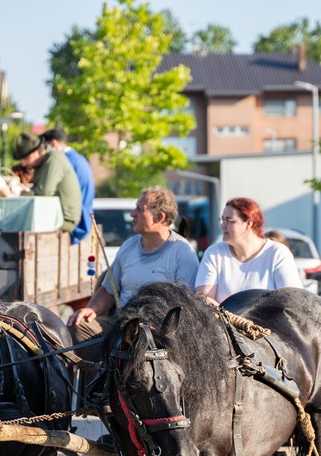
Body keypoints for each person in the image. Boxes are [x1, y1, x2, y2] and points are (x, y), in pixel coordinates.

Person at [67, 187, 198, 353]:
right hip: (121, 326)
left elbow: (184, 306)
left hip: (158, 333)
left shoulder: (182, 252)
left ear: (159, 217)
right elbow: (108, 290)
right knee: (77, 325)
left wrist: (156, 326)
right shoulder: (129, 246)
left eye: (139, 209)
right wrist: (91, 309)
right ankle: (103, 375)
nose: (132, 214)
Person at [195, 197, 302, 304]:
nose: (222, 225)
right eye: (222, 220)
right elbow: (204, 300)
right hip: (219, 321)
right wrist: (232, 320)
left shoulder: (278, 253)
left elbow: (292, 302)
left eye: (229, 220)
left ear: (249, 223)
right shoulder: (214, 253)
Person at [12, 132, 82, 236]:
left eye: (26, 158)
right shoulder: (42, 163)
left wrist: (19, 192)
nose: (23, 163)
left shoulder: (54, 159)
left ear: (36, 152)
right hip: (53, 216)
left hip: (64, 220)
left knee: (15, 225)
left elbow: (43, 193)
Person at [42, 128, 95, 244]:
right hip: (86, 218)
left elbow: (48, 190)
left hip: (76, 222)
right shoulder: (79, 158)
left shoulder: (64, 161)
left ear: (53, 144)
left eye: (45, 147)